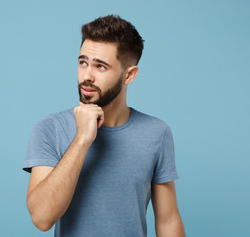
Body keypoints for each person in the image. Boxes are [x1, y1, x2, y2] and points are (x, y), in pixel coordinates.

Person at [23, 15, 185, 237]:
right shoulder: (50, 128)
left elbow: (168, 221)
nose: (86, 76)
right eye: (83, 62)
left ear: (129, 75)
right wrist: (82, 139)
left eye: (100, 66)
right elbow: (42, 218)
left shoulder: (157, 133)